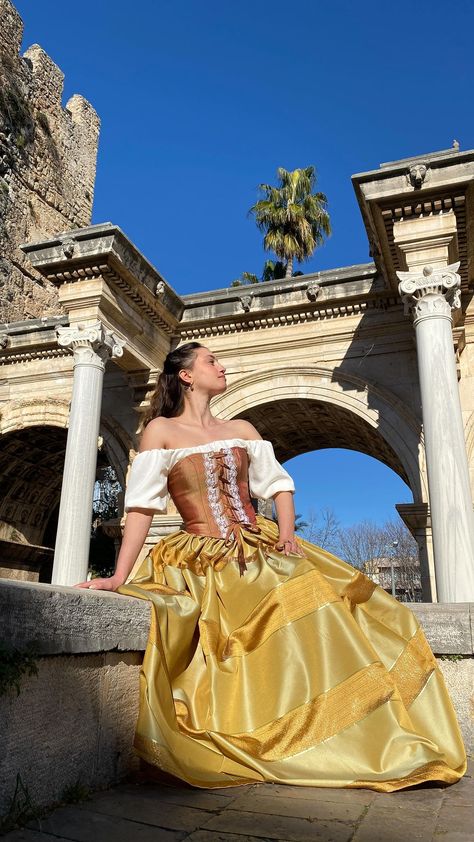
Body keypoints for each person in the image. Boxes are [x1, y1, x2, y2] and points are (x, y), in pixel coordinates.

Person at [76, 342, 467, 791]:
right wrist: (119, 575)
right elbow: (141, 509)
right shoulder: (160, 432)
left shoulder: (241, 427)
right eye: (211, 361)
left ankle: (362, 729)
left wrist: (285, 534)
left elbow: (279, 487)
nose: (221, 367)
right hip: (200, 552)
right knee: (259, 604)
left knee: (351, 602)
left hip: (259, 539)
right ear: (185, 375)